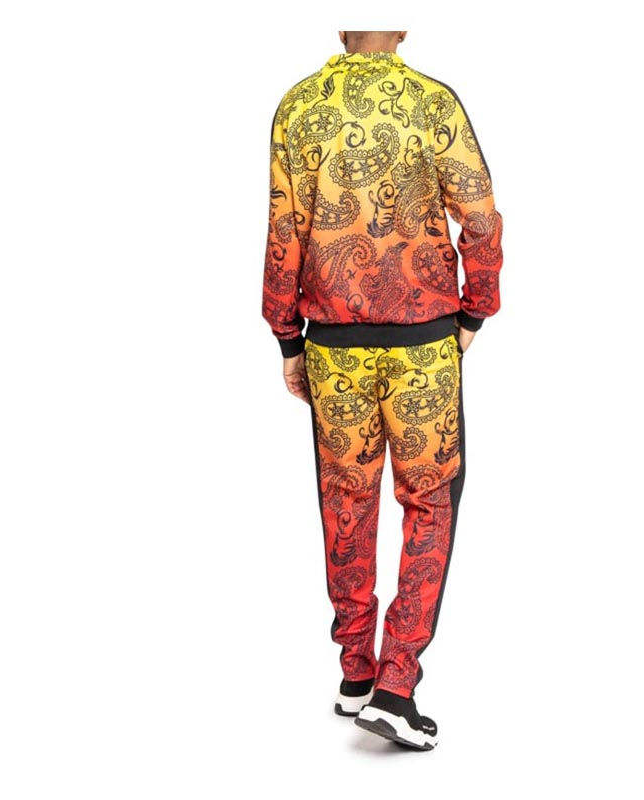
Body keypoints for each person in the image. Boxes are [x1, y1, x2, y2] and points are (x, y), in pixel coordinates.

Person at [262, 30, 503, 750]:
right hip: (424, 343)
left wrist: (287, 337)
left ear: (341, 27)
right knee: (429, 502)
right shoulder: (432, 104)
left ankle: (355, 672)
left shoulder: (300, 106)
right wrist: (475, 310)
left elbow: (282, 230)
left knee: (346, 501)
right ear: (400, 29)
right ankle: (396, 686)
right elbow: (480, 216)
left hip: (333, 345)